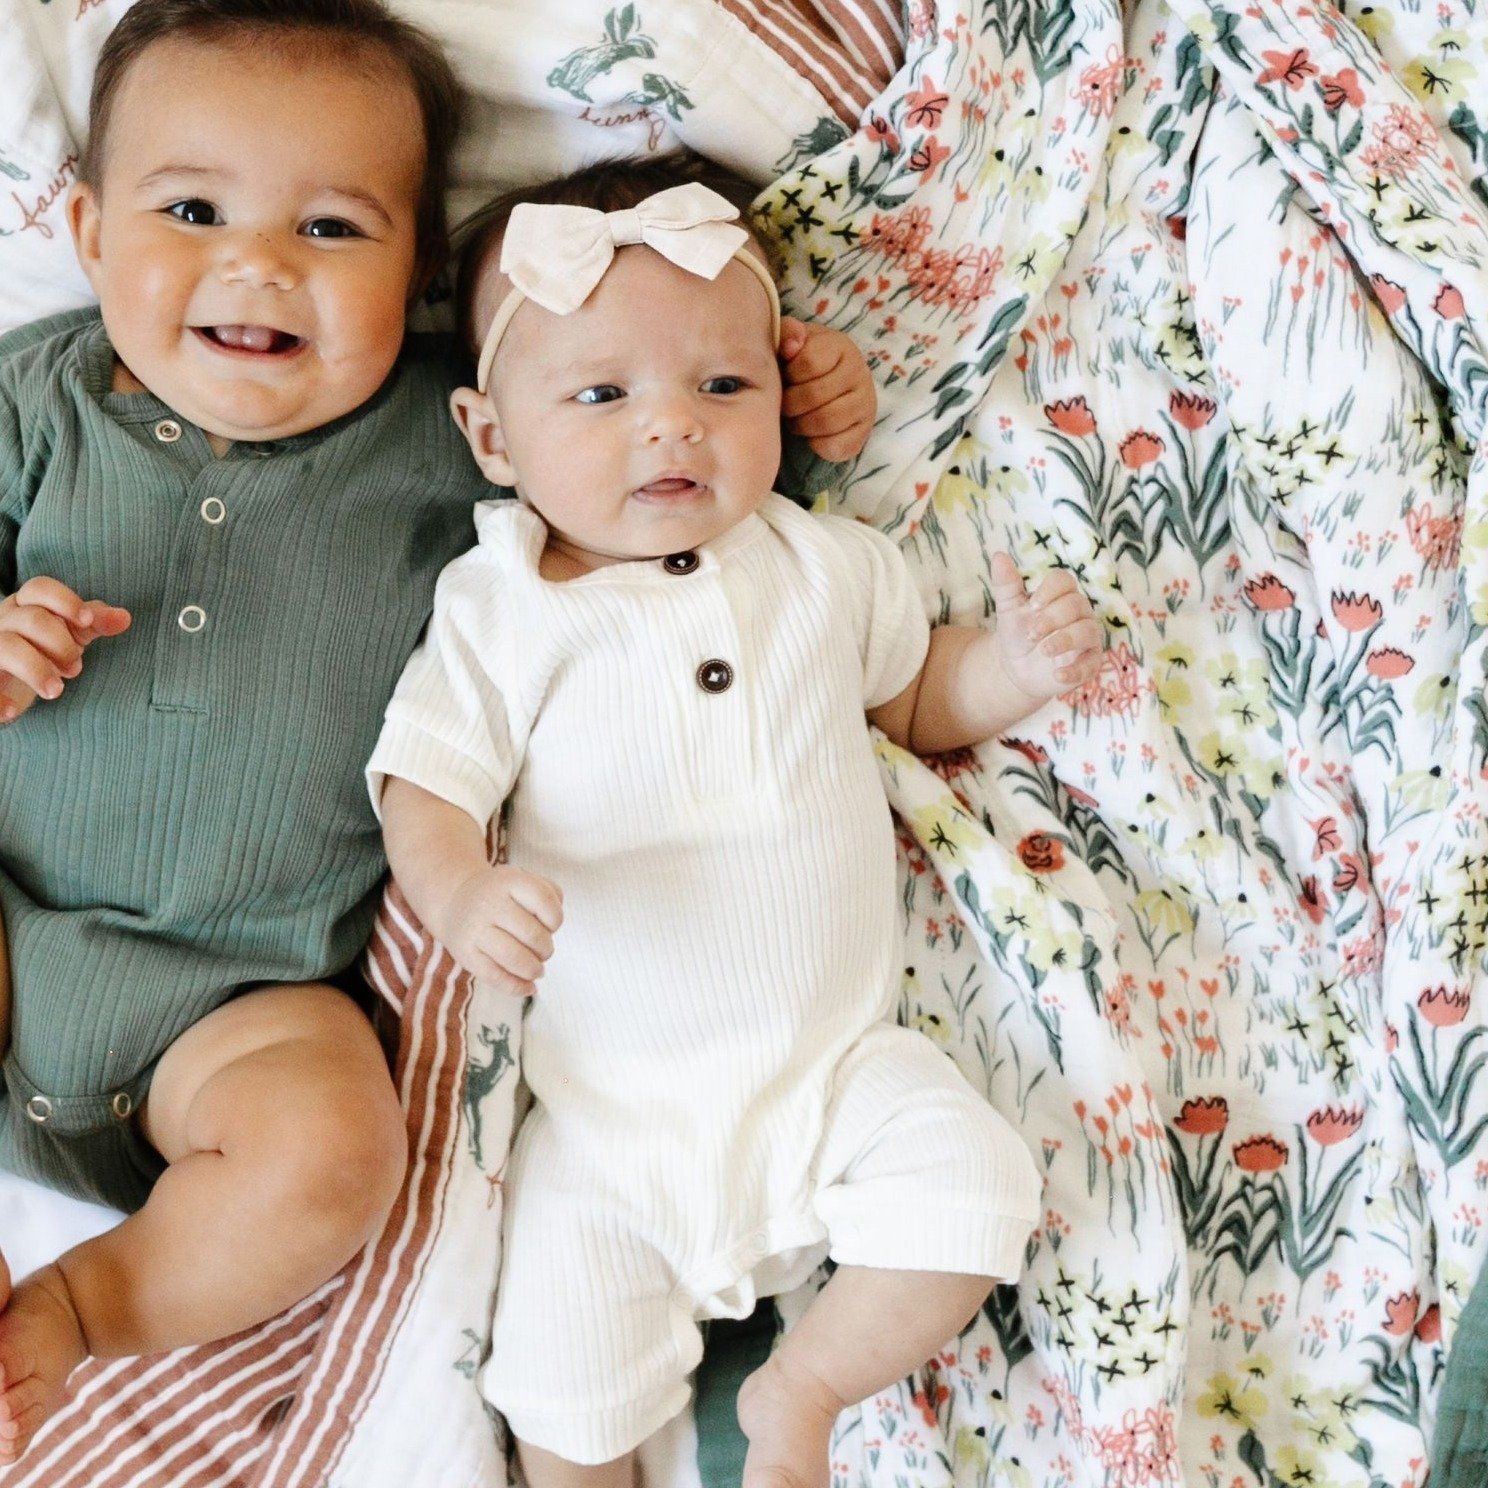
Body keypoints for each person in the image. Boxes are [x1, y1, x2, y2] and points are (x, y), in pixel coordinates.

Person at [0, 6, 872, 1459]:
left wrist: (797, 395)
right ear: (89, 232)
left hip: (239, 1007)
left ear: (417, 277)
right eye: (193, 211)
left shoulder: (445, 438)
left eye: (332, 228)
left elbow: (646, 465)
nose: (259, 263)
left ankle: (87, 1306)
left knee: (339, 1155)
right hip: (15, 924)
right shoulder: (40, 403)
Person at [371, 157, 1104, 1488]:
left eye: (722, 386)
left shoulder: (818, 564)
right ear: (493, 438)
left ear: (782, 390)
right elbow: (428, 779)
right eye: (602, 396)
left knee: (977, 1188)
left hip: (836, 1076)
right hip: (612, 1131)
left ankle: (802, 1388)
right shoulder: (504, 607)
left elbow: (916, 696)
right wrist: (460, 891)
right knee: (564, 1390)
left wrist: (1014, 668)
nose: (673, 428)